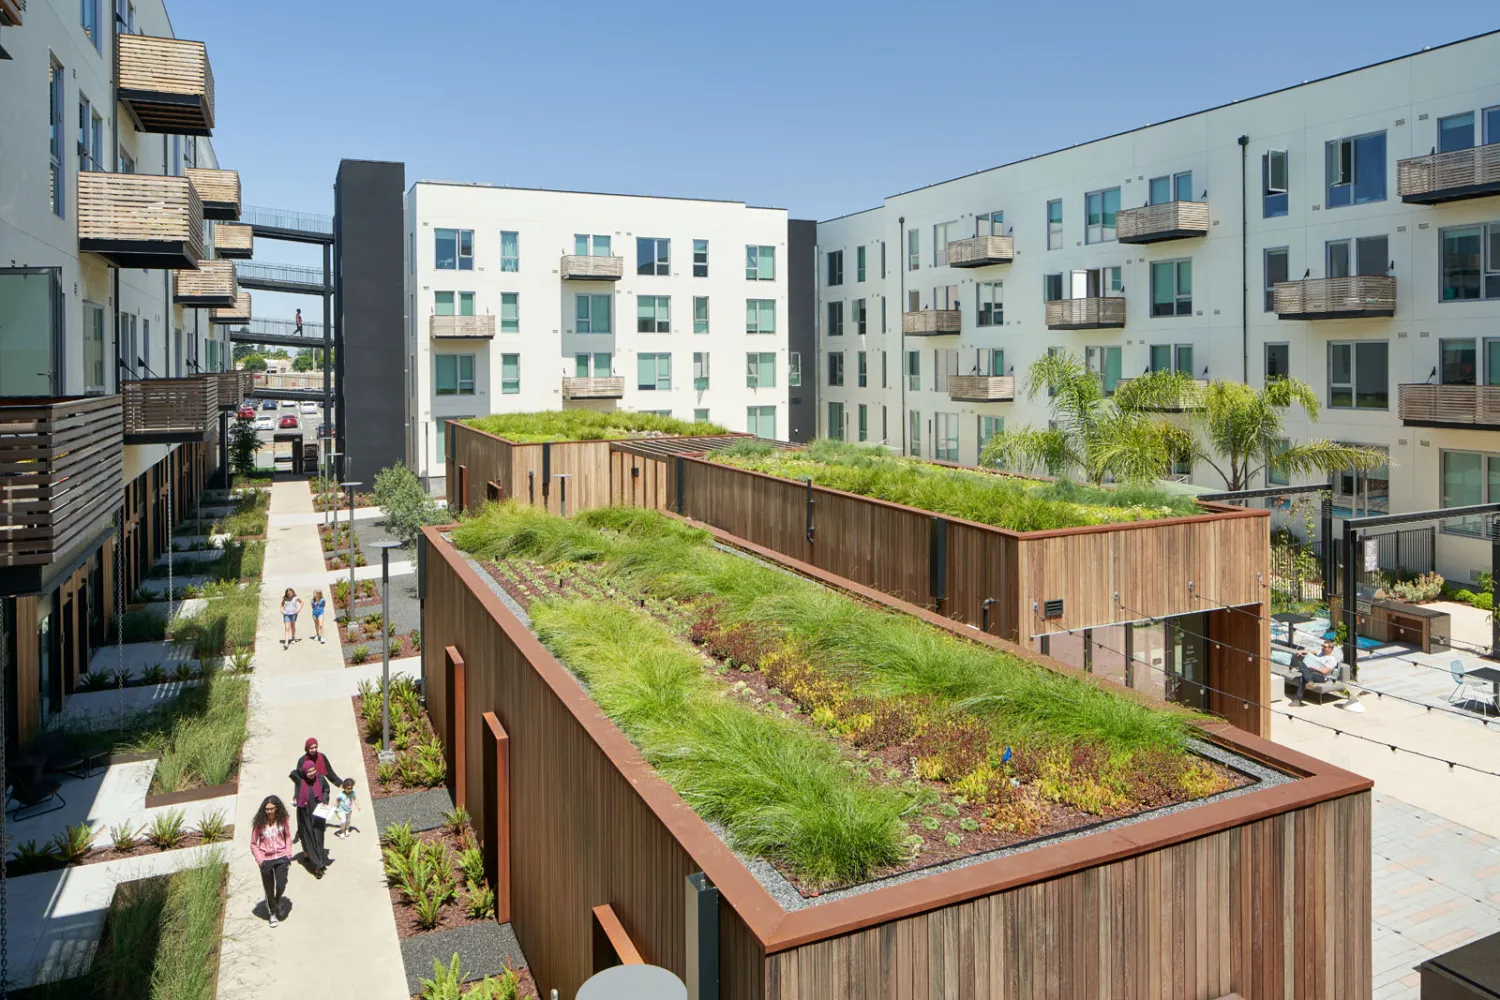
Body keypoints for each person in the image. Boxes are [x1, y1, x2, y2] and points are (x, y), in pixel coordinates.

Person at [250, 795, 293, 926]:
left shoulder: (283, 820)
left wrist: (288, 854)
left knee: (281, 884)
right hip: (266, 860)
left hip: (281, 858)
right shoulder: (259, 824)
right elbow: (253, 843)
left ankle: (277, 900)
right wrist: (260, 860)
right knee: (269, 888)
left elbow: (288, 837)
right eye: (266, 809)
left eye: (271, 809)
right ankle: (272, 912)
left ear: (277, 808)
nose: (269, 811)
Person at [289, 758, 332, 877]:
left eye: (313, 770)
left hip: (318, 813)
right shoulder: (300, 781)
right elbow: (293, 773)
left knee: (318, 838)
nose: (312, 773)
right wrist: (302, 771)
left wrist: (324, 800)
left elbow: (326, 790)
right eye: (309, 771)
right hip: (304, 814)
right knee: (307, 837)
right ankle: (317, 864)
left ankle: (319, 862)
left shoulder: (320, 779)